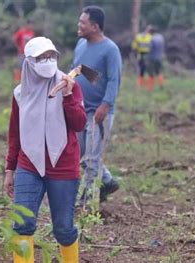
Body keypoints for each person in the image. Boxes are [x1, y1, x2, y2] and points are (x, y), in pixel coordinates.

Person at [4, 36, 86, 263]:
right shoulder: (20, 93)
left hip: (63, 166)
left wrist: (68, 96)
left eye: (52, 56)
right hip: (28, 164)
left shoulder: (68, 84)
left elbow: (79, 124)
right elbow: (15, 133)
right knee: (22, 224)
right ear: (29, 62)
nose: (48, 61)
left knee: (63, 229)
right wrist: (10, 170)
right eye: (41, 57)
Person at [72, 6, 122, 205]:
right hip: (80, 108)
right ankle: (107, 181)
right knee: (83, 155)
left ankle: (88, 200)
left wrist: (106, 104)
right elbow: (84, 72)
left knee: (92, 157)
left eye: (82, 22)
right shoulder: (81, 45)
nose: (79, 25)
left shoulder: (110, 49)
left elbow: (113, 79)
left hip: (99, 112)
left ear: (94, 26)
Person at [12, 20, 35, 84]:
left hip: (29, 53)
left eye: (32, 25)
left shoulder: (31, 33)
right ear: (27, 25)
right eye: (30, 25)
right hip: (22, 52)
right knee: (20, 66)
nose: (31, 26)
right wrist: (18, 46)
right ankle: (17, 81)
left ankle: (26, 81)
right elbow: (15, 39)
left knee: (29, 67)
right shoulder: (21, 32)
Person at [131, 25, 153, 89]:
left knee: (141, 70)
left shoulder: (138, 36)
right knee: (149, 71)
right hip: (148, 56)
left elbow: (134, 46)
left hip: (140, 55)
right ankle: (149, 87)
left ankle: (140, 85)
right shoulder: (150, 37)